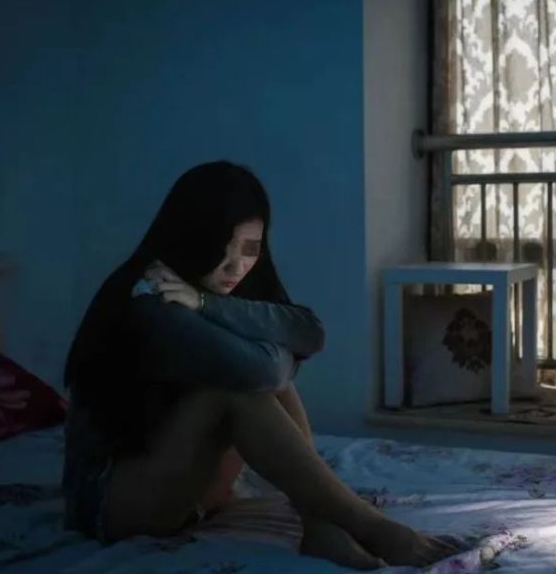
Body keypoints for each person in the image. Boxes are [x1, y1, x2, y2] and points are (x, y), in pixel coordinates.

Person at [62, 161, 458, 569]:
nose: (235, 266)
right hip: (115, 504)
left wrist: (206, 304)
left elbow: (311, 333)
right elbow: (263, 371)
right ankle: (371, 526)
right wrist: (272, 347)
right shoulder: (153, 295)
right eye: (220, 248)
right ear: (188, 237)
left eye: (250, 249)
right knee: (237, 392)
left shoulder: (210, 290)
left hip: (191, 488)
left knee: (267, 382)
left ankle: (321, 526)